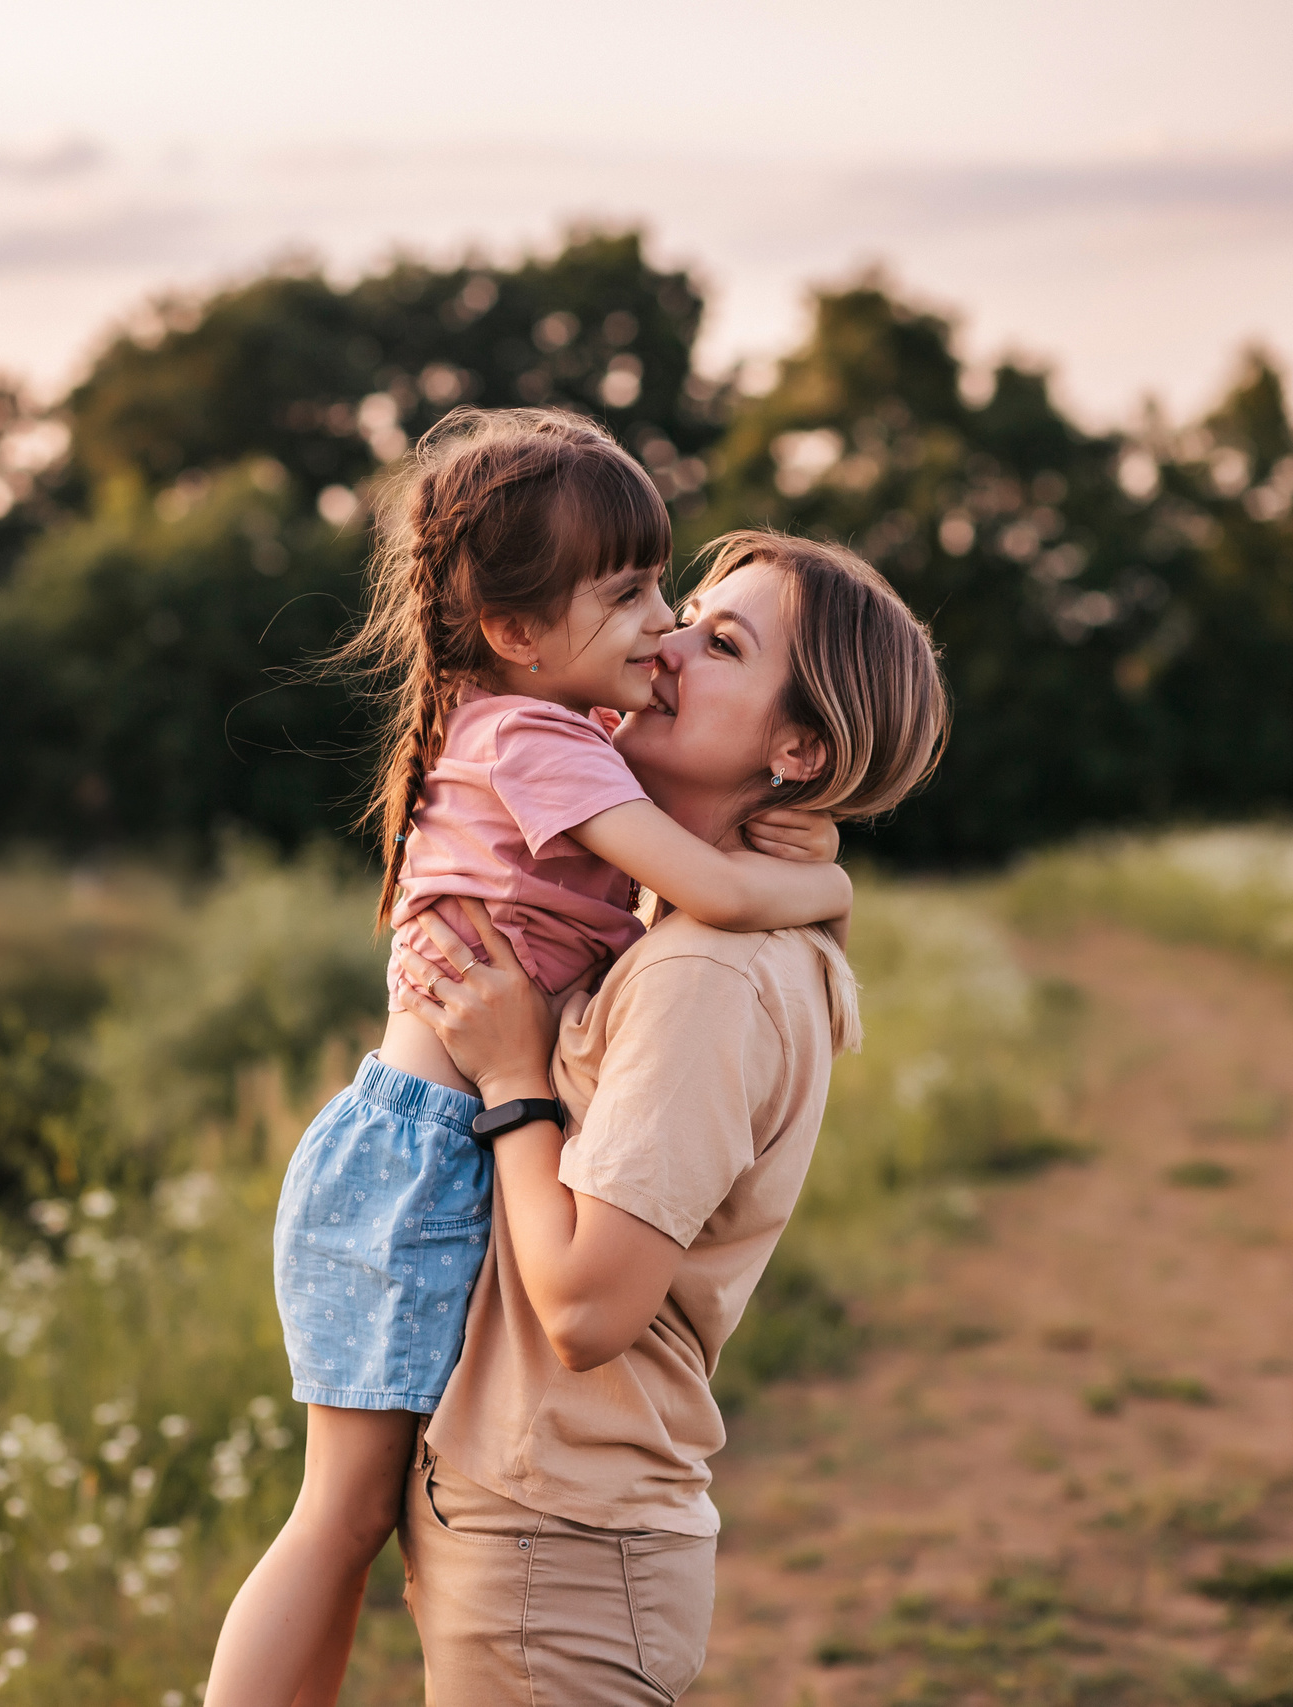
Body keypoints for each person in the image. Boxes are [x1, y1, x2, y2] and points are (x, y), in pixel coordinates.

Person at [204, 414, 854, 1707]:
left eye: (676, 600)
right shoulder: (540, 742)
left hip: (433, 1143)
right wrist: (827, 881)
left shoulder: (558, 729)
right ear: (515, 631)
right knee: (340, 1517)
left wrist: (798, 836)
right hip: (419, 1155)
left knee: (360, 1518)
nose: (662, 628)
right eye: (633, 595)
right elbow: (718, 890)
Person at [391, 527, 949, 1703]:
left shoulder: (705, 973)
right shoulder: (680, 931)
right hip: (545, 1523)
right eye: (683, 614)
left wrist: (514, 1082)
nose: (665, 643)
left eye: (722, 643)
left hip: (556, 1539)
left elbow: (587, 1307)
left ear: (798, 748)